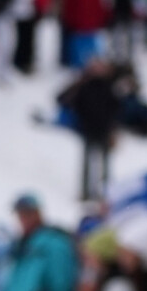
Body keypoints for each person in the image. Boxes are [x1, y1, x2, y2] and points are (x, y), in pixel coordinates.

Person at [55, 55, 122, 202]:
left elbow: (117, 109)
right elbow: (62, 99)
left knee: (105, 165)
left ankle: (106, 194)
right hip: (88, 130)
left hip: (104, 130)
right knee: (87, 164)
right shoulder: (83, 85)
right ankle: (85, 193)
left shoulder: (110, 87)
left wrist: (114, 130)